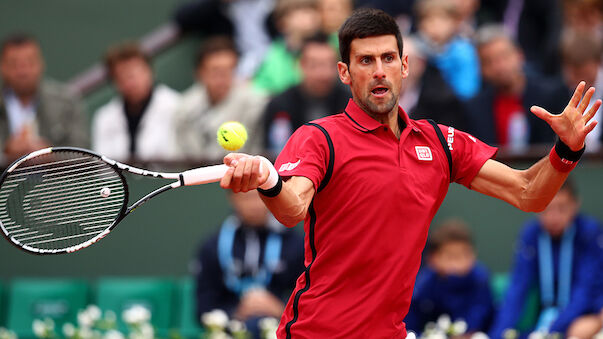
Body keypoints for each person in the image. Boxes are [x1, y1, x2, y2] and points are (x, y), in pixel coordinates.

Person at [218, 8, 600, 338]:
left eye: (388, 58)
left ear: (404, 66)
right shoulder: (319, 138)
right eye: (365, 61)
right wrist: (269, 180)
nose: (379, 71)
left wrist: (566, 150)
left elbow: (528, 192)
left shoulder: (440, 142)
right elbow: (292, 208)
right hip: (317, 332)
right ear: (345, 72)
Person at [488, 179, 602, 338]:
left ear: (575, 205)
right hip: (546, 323)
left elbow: (586, 289)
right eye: (546, 209)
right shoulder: (530, 234)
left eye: (562, 208)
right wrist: (497, 335)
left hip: (586, 316)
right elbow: (518, 288)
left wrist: (554, 330)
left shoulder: (590, 232)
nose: (554, 217)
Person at [192, 190, 304, 338]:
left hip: (284, 331)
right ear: (232, 198)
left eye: (260, 197)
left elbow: (311, 301)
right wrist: (236, 313)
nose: (255, 204)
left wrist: (281, 309)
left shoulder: (296, 244)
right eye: (247, 197)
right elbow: (203, 309)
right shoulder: (212, 246)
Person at [467, 25, 568, 150]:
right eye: (488, 61)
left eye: (503, 57)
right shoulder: (474, 108)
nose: (499, 67)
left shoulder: (552, 96)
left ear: (519, 55)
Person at [0, 34, 88, 166]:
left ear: (41, 64)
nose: (23, 71)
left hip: (56, 185)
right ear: (2, 67)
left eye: (30, 62)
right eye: (14, 64)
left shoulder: (67, 101)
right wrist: (5, 155)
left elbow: (84, 155)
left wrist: (51, 155)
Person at [174, 37, 267, 160]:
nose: (223, 78)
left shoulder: (255, 103)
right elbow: (183, 156)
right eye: (216, 71)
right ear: (200, 73)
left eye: (229, 70)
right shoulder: (185, 107)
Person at [263, 33, 349, 155]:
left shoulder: (349, 102)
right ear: (301, 65)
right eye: (315, 65)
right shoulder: (281, 104)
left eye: (330, 65)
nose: (323, 73)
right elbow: (276, 151)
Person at [92, 42, 181, 162]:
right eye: (122, 75)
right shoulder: (104, 117)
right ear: (114, 81)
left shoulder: (177, 106)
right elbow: (104, 169)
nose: (130, 81)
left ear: (150, 71)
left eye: (135, 73)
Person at [405, 220, 494, 335]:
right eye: (451, 256)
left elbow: (481, 319)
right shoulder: (423, 285)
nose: (459, 263)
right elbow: (411, 326)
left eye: (465, 254)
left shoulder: (480, 279)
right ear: (433, 258)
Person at [413, 0, 481, 101]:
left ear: (456, 22)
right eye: (428, 19)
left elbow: (467, 91)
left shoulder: (463, 52)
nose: (435, 25)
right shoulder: (415, 50)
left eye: (442, 19)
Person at [252, 0, 322, 95]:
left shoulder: (332, 46)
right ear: (282, 23)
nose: (312, 16)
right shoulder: (272, 55)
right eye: (303, 11)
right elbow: (259, 91)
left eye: (314, 10)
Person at [559, 29, 603, 153]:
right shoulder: (556, 95)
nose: (580, 80)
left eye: (584, 73)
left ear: (598, 63)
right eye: (574, 73)